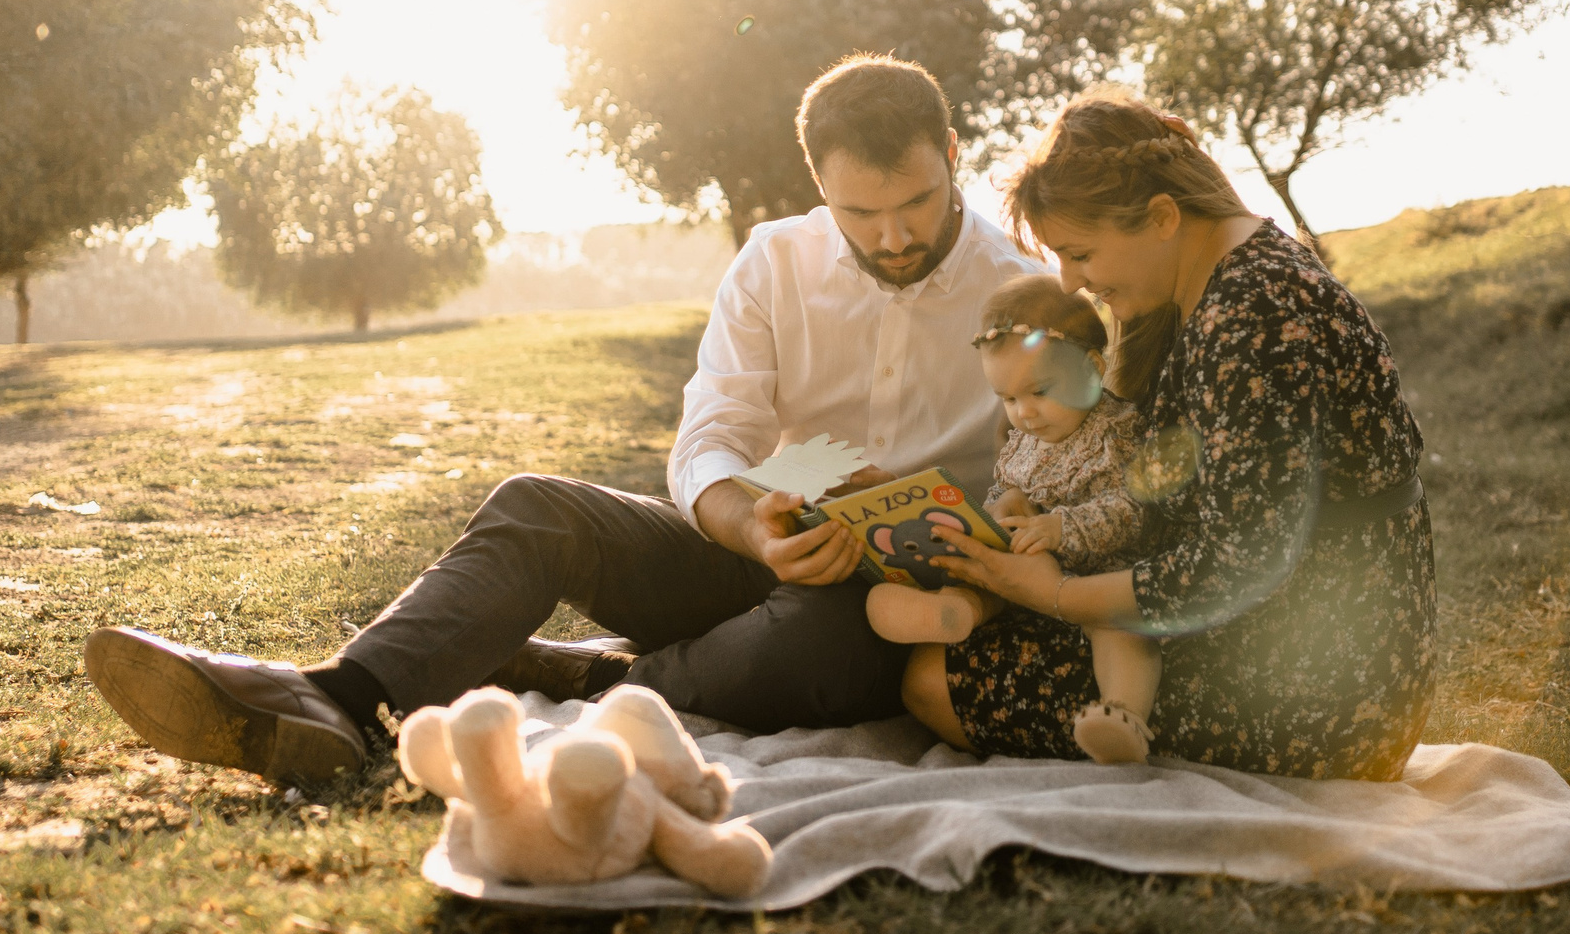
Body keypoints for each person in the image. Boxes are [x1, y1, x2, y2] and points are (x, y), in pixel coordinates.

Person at [81, 55, 1039, 784]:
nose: (894, 236)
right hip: (764, 552)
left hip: (893, 607)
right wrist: (751, 522)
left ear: (954, 158)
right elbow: (711, 439)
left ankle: (592, 682)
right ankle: (336, 699)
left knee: (825, 641)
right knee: (539, 506)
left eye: (915, 202)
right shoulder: (774, 262)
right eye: (860, 212)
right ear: (818, 185)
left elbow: (1059, 476)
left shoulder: (1029, 292)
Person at [908, 88, 1438, 781]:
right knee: (949, 653)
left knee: (932, 680)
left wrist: (1054, 595)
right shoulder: (1232, 280)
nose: (1070, 282)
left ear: (1161, 217)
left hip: (1323, 684)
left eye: (1081, 253)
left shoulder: (1254, 313)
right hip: (1311, 636)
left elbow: (1233, 563)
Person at [863, 274, 1166, 764]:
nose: (1023, 413)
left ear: (1091, 367)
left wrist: (1063, 527)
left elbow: (1137, 511)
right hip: (1031, 570)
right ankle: (954, 610)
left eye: (1039, 391)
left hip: (1101, 579)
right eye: (1007, 398)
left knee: (1122, 630)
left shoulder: (1120, 432)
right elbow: (1006, 485)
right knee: (988, 553)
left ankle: (1121, 716)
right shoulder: (1024, 438)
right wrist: (994, 514)